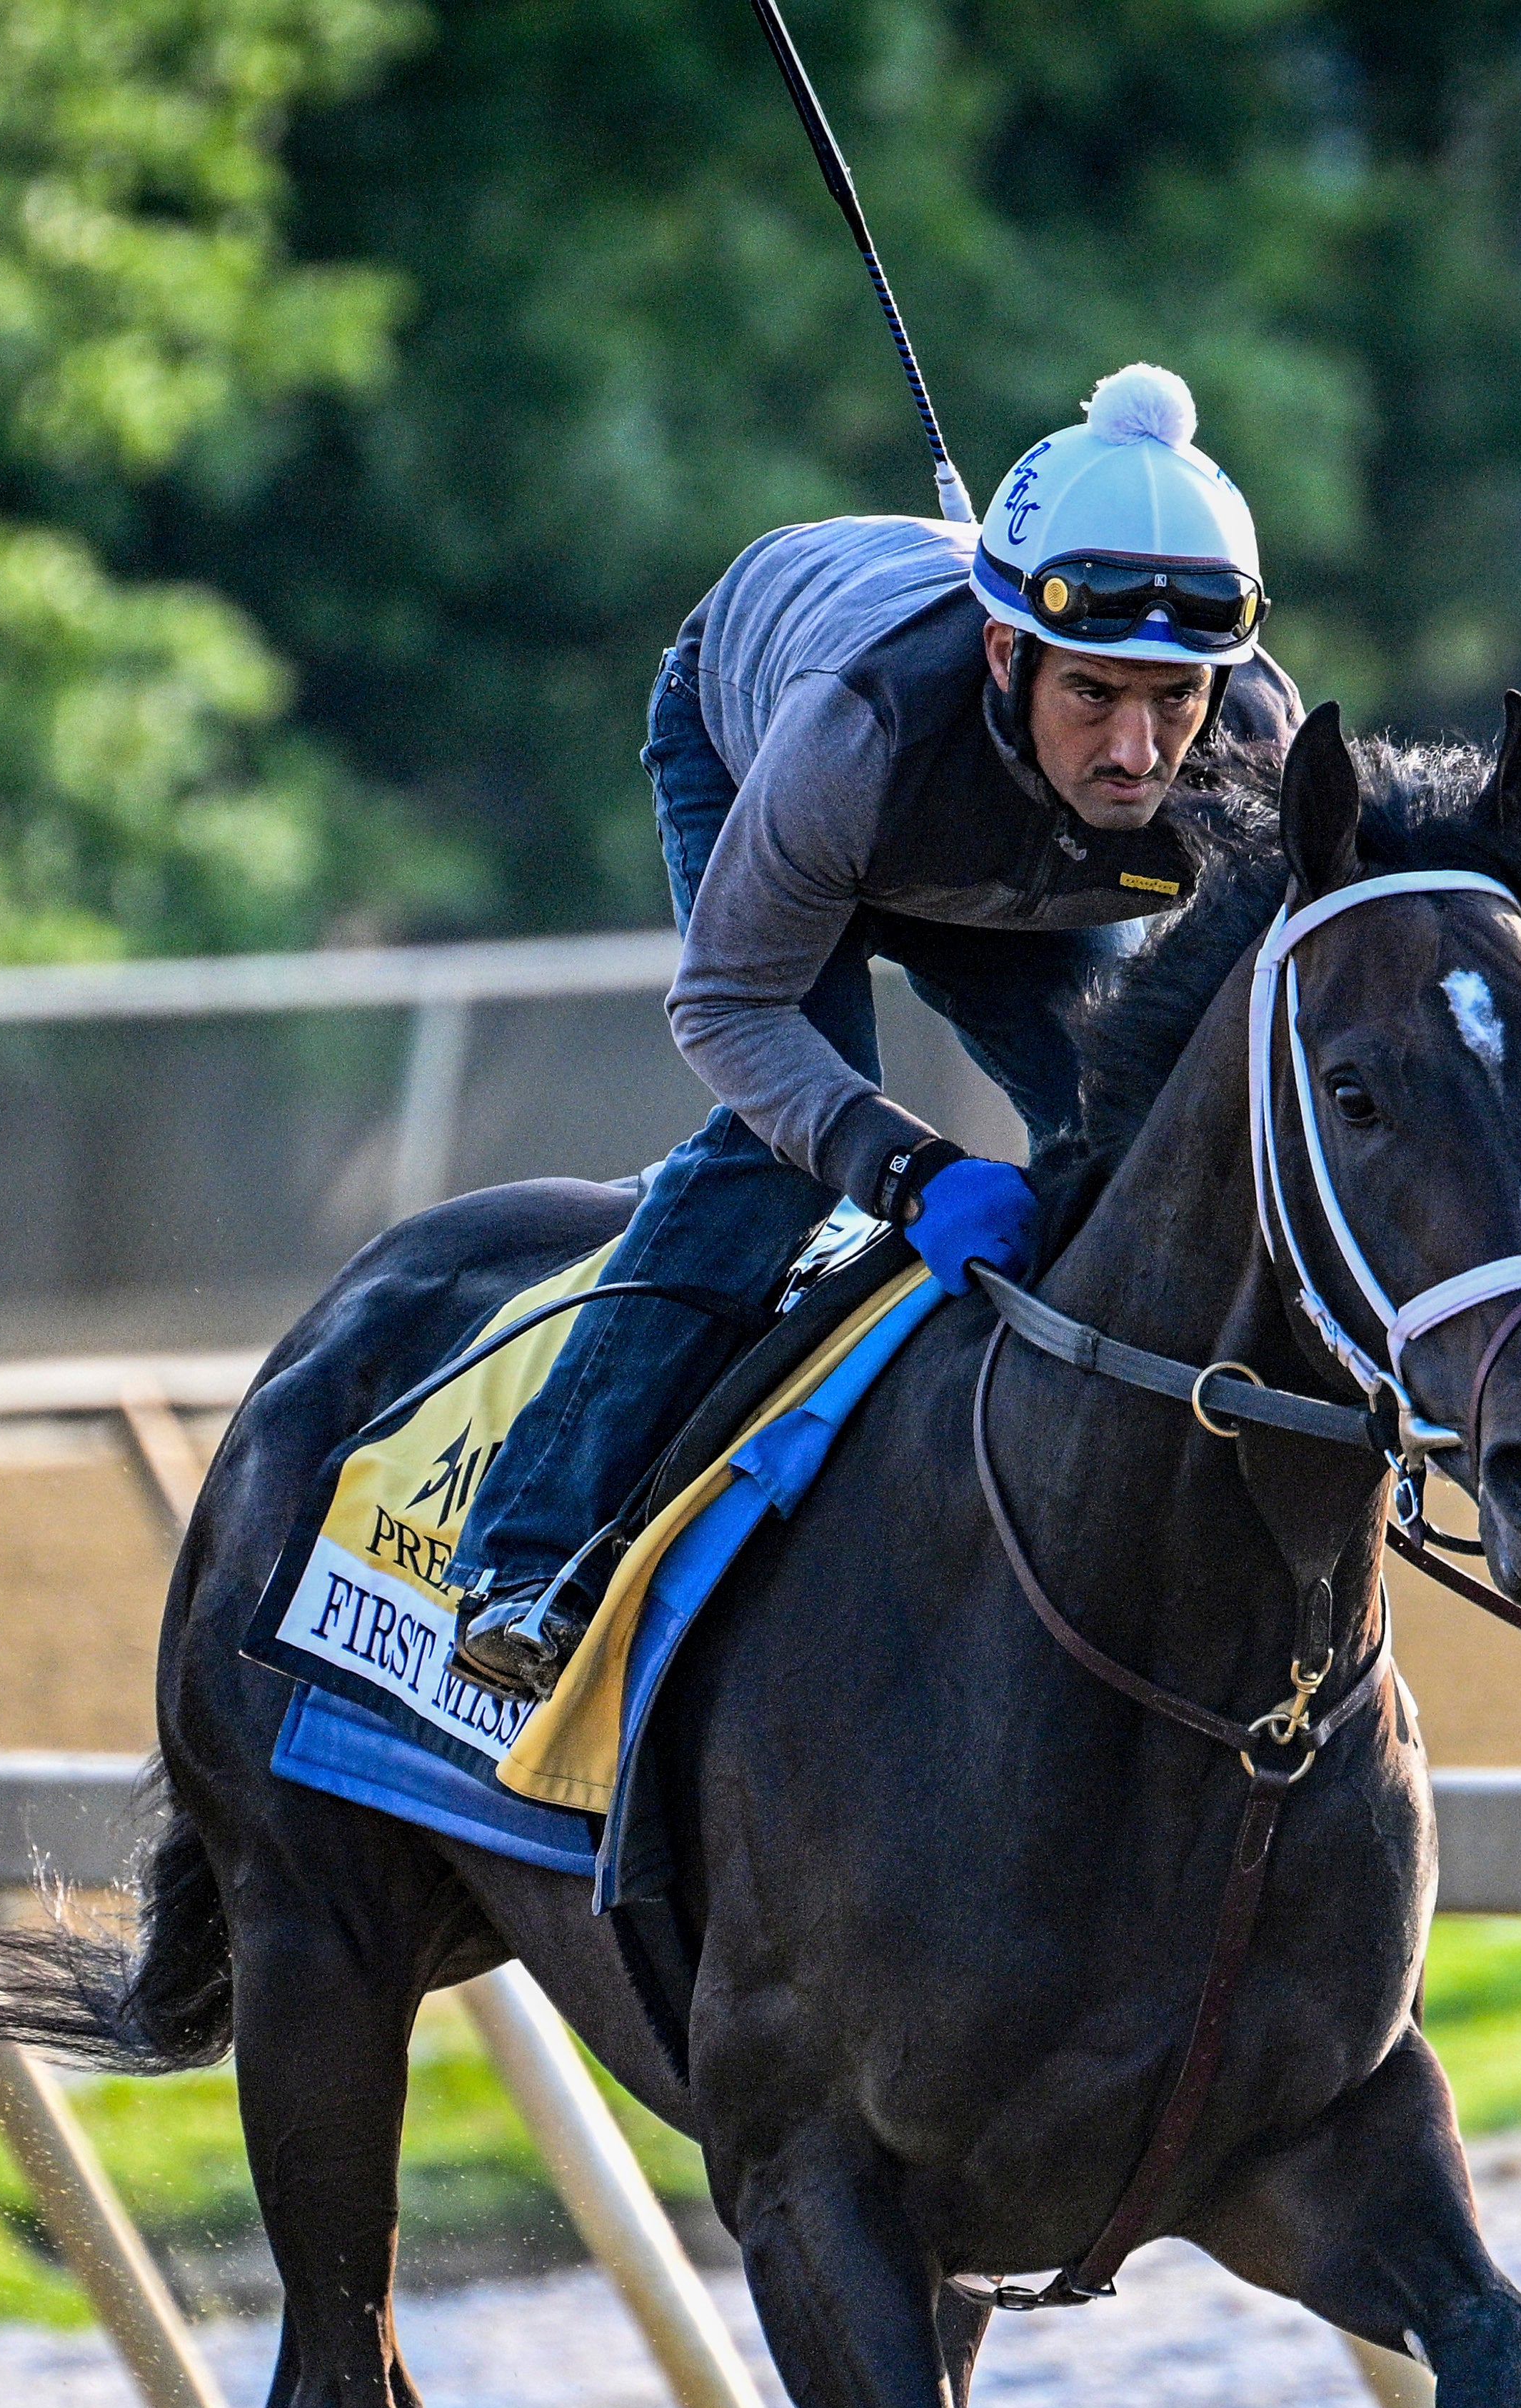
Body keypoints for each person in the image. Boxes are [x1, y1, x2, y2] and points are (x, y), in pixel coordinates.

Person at [442, 362, 1300, 1697]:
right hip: (759, 741)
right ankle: (528, 1554)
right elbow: (729, 1006)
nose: (1140, 752)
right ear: (1008, 649)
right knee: (778, 1157)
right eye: (1094, 696)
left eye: (1175, 699)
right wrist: (910, 1171)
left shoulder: (1250, 745)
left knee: (1129, 1138)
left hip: (998, 851)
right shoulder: (858, 731)